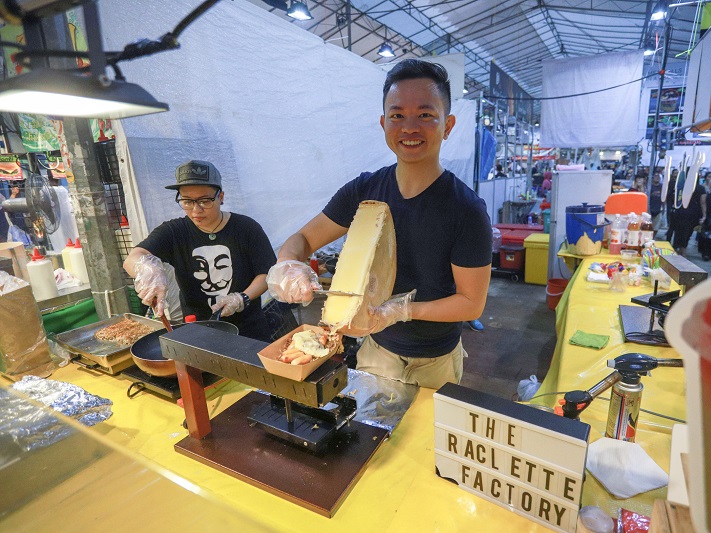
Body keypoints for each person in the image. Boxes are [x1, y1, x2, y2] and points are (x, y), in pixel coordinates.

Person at [267, 59, 493, 389]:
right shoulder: (365, 190)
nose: (410, 127)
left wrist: (402, 311)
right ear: (383, 123)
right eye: (398, 115)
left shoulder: (466, 210)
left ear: (448, 125)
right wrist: (288, 265)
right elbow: (302, 238)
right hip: (376, 351)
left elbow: (471, 302)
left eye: (426, 115)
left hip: (436, 360)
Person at [123, 160, 277, 341]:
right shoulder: (174, 231)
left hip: (249, 329)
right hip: (198, 330)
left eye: (205, 200)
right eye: (187, 201)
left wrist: (241, 298)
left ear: (221, 197)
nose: (196, 210)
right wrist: (146, 269)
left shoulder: (246, 228)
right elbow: (132, 258)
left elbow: (267, 273)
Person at [670, 184, 704, 256]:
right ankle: (682, 249)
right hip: (691, 213)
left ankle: (678, 248)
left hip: (683, 212)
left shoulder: (681, 184)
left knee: (680, 231)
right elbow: (702, 202)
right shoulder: (700, 188)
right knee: (687, 232)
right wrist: (704, 215)